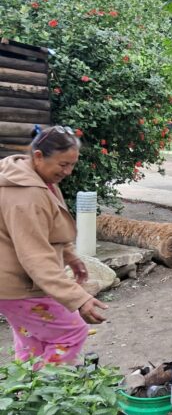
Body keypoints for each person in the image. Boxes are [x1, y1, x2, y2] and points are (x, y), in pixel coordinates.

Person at [0, 126, 107, 365]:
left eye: (72, 164)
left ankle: (25, 395)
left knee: (33, 342)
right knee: (71, 332)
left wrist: (70, 256)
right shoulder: (26, 195)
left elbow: (50, 228)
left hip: (16, 284)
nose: (68, 171)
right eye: (62, 164)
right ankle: (51, 394)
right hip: (21, 286)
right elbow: (35, 256)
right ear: (38, 156)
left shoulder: (39, 177)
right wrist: (78, 298)